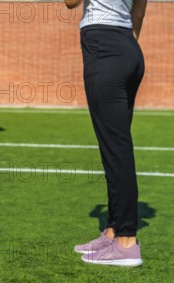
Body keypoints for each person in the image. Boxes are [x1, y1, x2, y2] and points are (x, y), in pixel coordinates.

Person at [68, 0, 147, 267]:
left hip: (103, 46)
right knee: (113, 148)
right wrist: (126, 44)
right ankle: (113, 231)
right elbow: (140, 7)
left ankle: (126, 241)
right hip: (126, 47)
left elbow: (70, 3)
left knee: (116, 150)